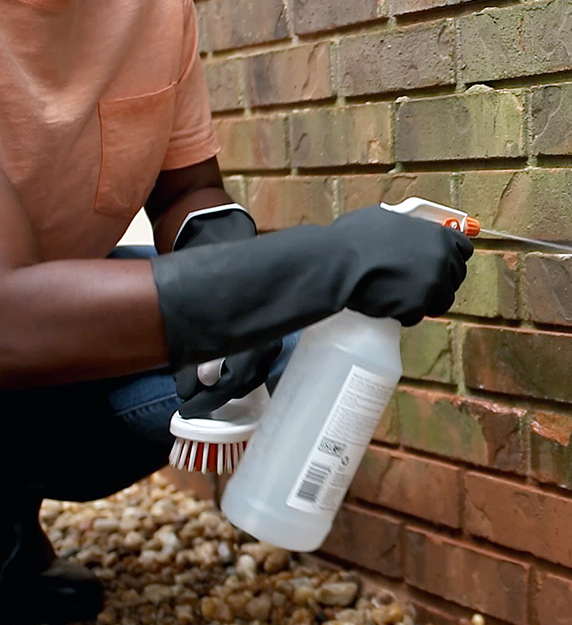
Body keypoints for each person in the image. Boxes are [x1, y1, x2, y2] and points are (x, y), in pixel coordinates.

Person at [0, 2, 473, 623]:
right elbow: (9, 322)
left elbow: (187, 190)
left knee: (289, 334)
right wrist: (321, 265)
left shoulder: (156, 11)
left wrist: (226, 267)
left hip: (43, 355)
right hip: (22, 330)